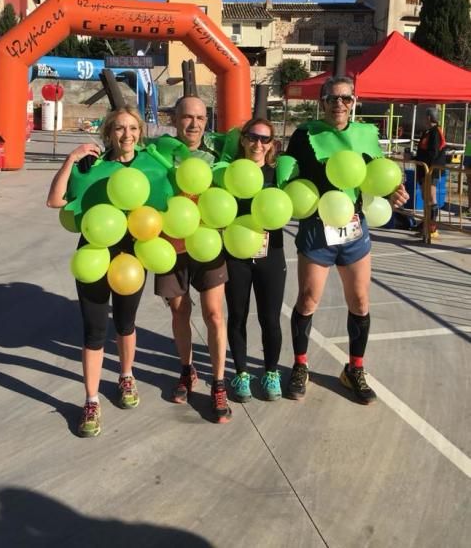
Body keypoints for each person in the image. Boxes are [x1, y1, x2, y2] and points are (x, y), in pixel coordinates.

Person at [47, 106, 171, 437]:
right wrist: (71, 158)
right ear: (109, 133)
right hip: (94, 254)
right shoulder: (93, 167)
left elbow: (177, 195)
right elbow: (55, 200)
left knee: (126, 323)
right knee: (94, 330)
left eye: (132, 128)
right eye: (119, 128)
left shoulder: (153, 166)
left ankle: (126, 377)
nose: (127, 134)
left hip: (133, 255)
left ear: (140, 132)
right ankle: (90, 400)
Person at [285, 76, 409, 405]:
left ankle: (354, 368)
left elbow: (377, 175)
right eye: (332, 98)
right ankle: (300, 365)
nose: (339, 104)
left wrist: (394, 191)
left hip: (355, 227)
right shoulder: (303, 135)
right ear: (322, 102)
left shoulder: (367, 134)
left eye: (346, 99)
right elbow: (288, 174)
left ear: (354, 102)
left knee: (360, 301)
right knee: (309, 298)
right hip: (316, 226)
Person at [154, 95, 232, 423]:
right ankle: (187, 371)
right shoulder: (158, 153)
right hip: (171, 246)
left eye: (200, 118)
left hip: (208, 244)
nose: (194, 124)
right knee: (179, 310)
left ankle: (218, 383)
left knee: (214, 314)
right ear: (174, 119)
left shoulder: (218, 154)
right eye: (187, 117)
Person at [225, 118, 286, 402]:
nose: (258, 144)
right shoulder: (228, 174)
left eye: (265, 139)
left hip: (270, 255)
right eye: (253, 137)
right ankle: (240, 373)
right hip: (236, 255)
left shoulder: (278, 176)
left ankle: (271, 372)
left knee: (270, 318)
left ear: (271, 144)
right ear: (243, 139)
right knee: (237, 316)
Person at [415, 107, 447, 236]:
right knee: (425, 197)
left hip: (432, 169)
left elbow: (433, 153)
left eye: (424, 117)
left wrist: (418, 158)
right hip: (424, 168)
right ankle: (426, 223)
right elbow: (423, 151)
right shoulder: (427, 132)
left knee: (431, 197)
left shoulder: (435, 132)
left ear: (429, 117)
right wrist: (414, 157)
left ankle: (432, 227)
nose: (423, 119)